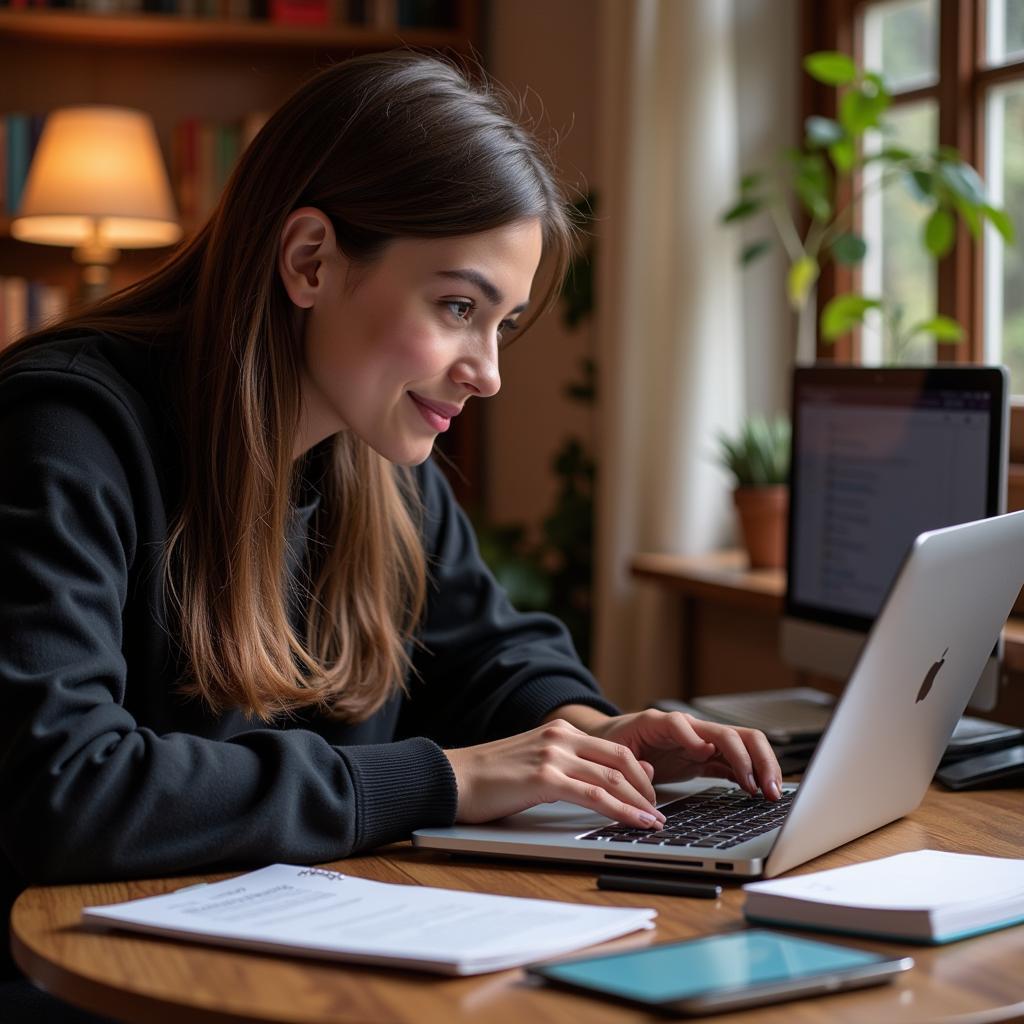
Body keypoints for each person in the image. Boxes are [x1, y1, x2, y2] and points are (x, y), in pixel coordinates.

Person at [0, 50, 780, 1016]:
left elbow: (491, 656)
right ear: (310, 261)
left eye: (502, 323)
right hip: (86, 984)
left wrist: (594, 735)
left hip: (295, 964)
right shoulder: (65, 432)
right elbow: (63, 786)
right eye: (458, 307)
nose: (487, 372)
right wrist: (438, 780)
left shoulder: (374, 454)